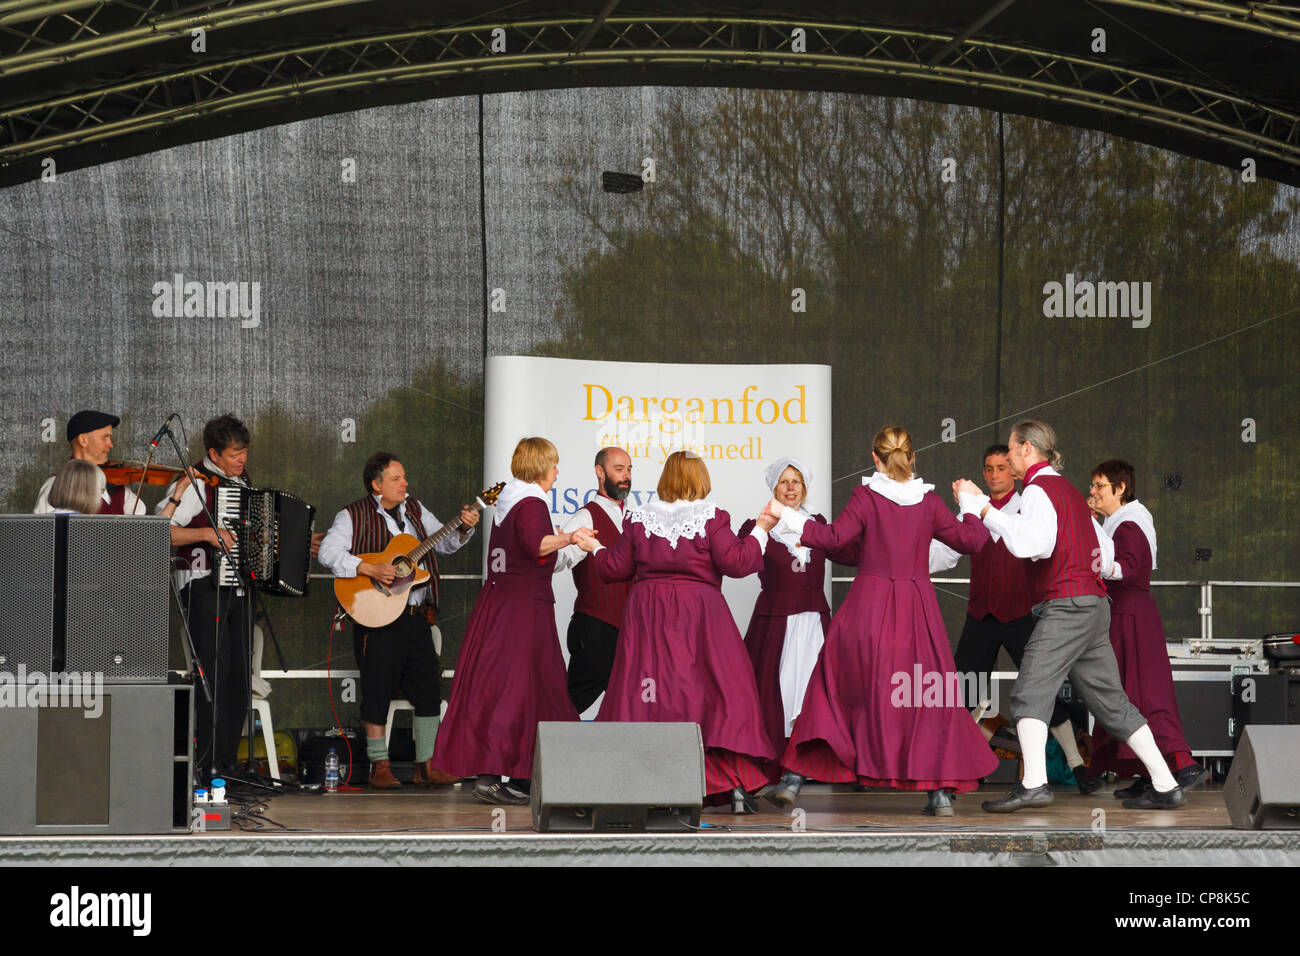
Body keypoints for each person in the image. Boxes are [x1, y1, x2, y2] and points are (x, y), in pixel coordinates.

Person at [765, 427, 997, 816]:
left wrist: (785, 514)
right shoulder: (928, 501)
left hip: (867, 608)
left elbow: (835, 536)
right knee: (925, 696)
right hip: (915, 608)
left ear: (875, 458)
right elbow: (972, 541)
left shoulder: (867, 495)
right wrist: (971, 504)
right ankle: (939, 792)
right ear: (912, 457)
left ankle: (794, 778)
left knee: (833, 686)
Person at [961, 420, 1186, 812]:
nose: (1009, 458)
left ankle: (1033, 785)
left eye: (1012, 451)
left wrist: (981, 508)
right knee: (1112, 703)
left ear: (1028, 449)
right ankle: (1166, 784)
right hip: (1094, 605)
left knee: (1030, 691)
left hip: (1066, 605)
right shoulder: (1065, 489)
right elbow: (1104, 553)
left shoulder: (1037, 489)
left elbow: (1033, 543)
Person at [575, 451, 779, 814]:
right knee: (720, 691)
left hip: (649, 616)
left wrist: (594, 547)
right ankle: (730, 782)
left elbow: (614, 568)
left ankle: (642, 783)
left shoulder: (639, 518)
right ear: (699, 479)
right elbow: (737, 562)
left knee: (650, 694)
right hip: (699, 615)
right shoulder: (711, 517)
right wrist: (762, 527)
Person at [431, 437, 588, 805]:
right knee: (523, 689)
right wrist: (570, 536)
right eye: (553, 465)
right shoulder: (532, 501)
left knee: (517, 688)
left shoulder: (506, 500)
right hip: (522, 608)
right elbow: (536, 545)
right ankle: (507, 774)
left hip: (500, 601)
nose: (557, 472)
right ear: (539, 467)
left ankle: (522, 774)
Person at [317, 452, 478, 789]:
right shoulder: (352, 515)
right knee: (376, 691)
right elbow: (328, 553)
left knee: (429, 690)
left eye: (404, 477)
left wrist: (463, 528)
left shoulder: (416, 511)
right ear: (376, 485)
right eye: (396, 478)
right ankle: (380, 766)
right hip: (375, 615)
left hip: (416, 616)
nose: (405, 483)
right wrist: (369, 568)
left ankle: (427, 765)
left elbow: (445, 543)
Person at [934, 445, 1088, 786]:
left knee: (1042, 690)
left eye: (1001, 467)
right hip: (982, 617)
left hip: (1022, 617)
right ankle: (953, 771)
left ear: (1013, 471)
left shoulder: (1028, 507)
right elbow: (944, 554)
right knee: (961, 691)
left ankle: (1077, 763)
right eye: (988, 468)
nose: (993, 474)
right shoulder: (969, 512)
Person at [1083, 459, 1206, 796]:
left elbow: (1127, 569)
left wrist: (1088, 528)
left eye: (1099, 486)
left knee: (1141, 694)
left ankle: (1182, 765)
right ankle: (1148, 771)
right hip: (1123, 615)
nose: (1092, 492)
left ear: (1120, 488)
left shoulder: (1130, 522)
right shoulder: (1119, 521)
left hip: (1131, 616)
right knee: (1123, 691)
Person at [736, 457, 859, 765]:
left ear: (805, 487)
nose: (791, 488)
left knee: (815, 691)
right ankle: (774, 762)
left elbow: (851, 552)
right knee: (773, 692)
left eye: (797, 482)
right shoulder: (755, 528)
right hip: (774, 624)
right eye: (784, 482)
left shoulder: (817, 525)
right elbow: (737, 561)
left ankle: (814, 762)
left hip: (815, 622)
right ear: (773, 487)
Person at [158, 414, 254, 776]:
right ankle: (206, 763)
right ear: (213, 452)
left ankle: (227, 762)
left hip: (238, 586)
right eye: (233, 454)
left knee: (239, 677)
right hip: (200, 583)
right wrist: (205, 536)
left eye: (243, 452)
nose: (241, 460)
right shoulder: (193, 481)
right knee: (213, 674)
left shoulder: (242, 482)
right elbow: (162, 532)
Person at [552, 446, 633, 713]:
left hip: (628, 630)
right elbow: (561, 558)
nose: (626, 476)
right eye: (619, 469)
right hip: (596, 628)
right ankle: (538, 750)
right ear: (600, 472)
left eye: (629, 470)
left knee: (629, 706)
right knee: (571, 704)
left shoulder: (632, 518)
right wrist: (551, 542)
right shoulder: (586, 516)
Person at [34, 409, 145, 515]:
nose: (111, 444)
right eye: (105, 437)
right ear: (83, 440)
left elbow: (141, 524)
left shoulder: (119, 486)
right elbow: (44, 529)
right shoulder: (56, 484)